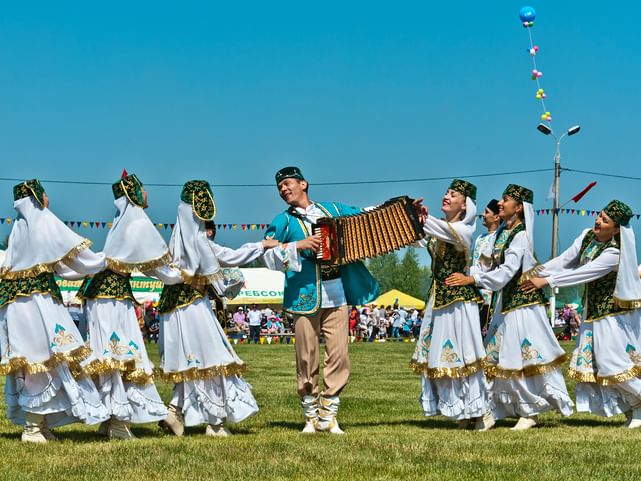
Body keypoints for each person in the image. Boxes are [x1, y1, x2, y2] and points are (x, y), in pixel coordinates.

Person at [262, 166, 380, 434]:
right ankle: (310, 415)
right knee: (306, 356)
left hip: (337, 293)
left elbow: (365, 215)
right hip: (304, 297)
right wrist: (297, 246)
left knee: (339, 354)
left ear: (304, 184)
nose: (284, 190)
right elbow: (267, 255)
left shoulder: (332, 210)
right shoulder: (283, 221)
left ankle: (329, 413)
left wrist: (400, 209)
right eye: (280, 187)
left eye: (288, 184)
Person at [157, 180, 279, 437]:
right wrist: (261, 245)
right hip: (193, 307)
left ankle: (174, 411)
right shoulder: (199, 242)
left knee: (187, 361)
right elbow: (231, 256)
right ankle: (215, 422)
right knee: (213, 358)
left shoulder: (174, 245)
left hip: (171, 308)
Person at [446, 184, 573, 430]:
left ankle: (530, 411)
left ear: (519, 208)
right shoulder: (504, 233)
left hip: (523, 308)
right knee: (494, 359)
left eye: (505, 200)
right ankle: (490, 409)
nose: (500, 204)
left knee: (521, 360)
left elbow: (505, 273)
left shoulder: (521, 236)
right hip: (506, 306)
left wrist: (474, 279)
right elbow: (489, 265)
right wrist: (467, 272)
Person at [0, 179, 109, 443]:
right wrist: (106, 259)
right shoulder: (43, 220)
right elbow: (79, 260)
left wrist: (91, 268)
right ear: (37, 197)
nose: (48, 198)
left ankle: (39, 424)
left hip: (16, 305)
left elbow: (62, 268)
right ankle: (33, 428)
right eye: (45, 193)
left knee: (34, 362)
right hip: (38, 303)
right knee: (43, 360)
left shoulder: (20, 228)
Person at [79, 172, 182, 439]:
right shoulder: (136, 220)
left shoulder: (121, 221)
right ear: (134, 193)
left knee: (110, 353)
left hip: (102, 293)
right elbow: (158, 267)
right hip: (111, 296)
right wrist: (184, 275)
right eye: (143, 189)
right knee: (119, 354)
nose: (147, 194)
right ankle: (116, 422)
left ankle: (111, 417)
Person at [521, 200, 641, 427]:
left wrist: (546, 281)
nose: (598, 221)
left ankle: (638, 407)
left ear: (616, 229)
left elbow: (584, 273)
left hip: (612, 317)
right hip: (592, 314)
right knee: (596, 364)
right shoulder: (587, 236)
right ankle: (632, 408)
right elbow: (565, 260)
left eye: (605, 220)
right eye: (600, 215)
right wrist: (534, 273)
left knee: (612, 363)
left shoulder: (614, 252)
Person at [410, 179, 489, 428]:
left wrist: (422, 218)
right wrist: (402, 217)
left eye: (453, 194)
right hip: (438, 299)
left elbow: (439, 230)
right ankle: (461, 411)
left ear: (465, 206)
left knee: (463, 353)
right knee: (440, 354)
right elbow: (416, 238)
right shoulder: (439, 229)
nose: (447, 196)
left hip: (459, 301)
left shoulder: (465, 230)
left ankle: (480, 409)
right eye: (446, 192)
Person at [472, 199, 501, 334]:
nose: (483, 215)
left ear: (496, 217)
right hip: (475, 289)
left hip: (489, 293)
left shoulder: (499, 237)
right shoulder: (480, 237)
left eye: (487, 212)